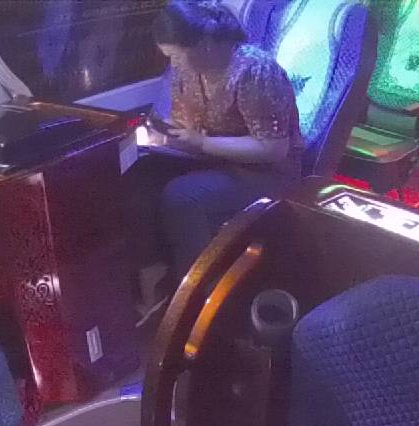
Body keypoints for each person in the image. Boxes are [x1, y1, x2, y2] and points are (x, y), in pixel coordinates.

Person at [129, 0, 304, 298]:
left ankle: (198, 294)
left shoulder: (255, 72)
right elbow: (189, 127)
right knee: (141, 177)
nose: (173, 64)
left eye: (176, 55)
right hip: (213, 159)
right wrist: (167, 137)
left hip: (267, 173)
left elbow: (274, 149)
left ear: (205, 45)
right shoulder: (188, 73)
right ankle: (155, 277)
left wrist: (201, 143)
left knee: (183, 196)